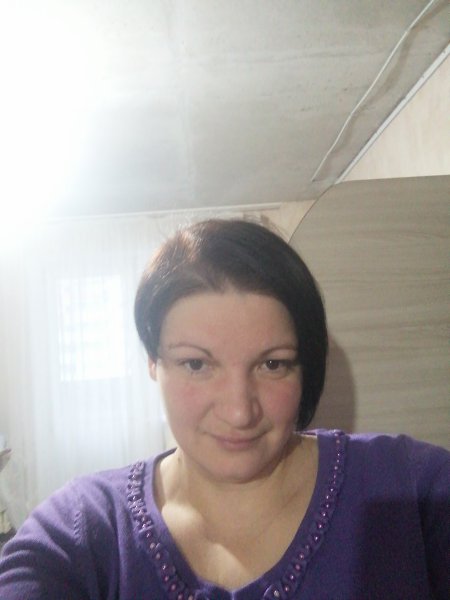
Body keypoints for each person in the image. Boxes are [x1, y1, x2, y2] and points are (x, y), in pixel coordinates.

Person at [0, 218, 448, 599]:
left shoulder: (410, 490)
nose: (239, 412)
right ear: (153, 362)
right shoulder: (83, 530)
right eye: (196, 364)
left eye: (273, 364)